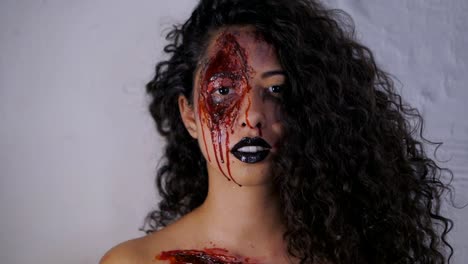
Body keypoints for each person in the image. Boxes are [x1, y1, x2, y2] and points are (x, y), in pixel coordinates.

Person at [100, 0, 454, 263]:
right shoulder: (134, 262)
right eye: (223, 90)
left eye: (276, 90)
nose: (253, 114)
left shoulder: (355, 256)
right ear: (189, 115)